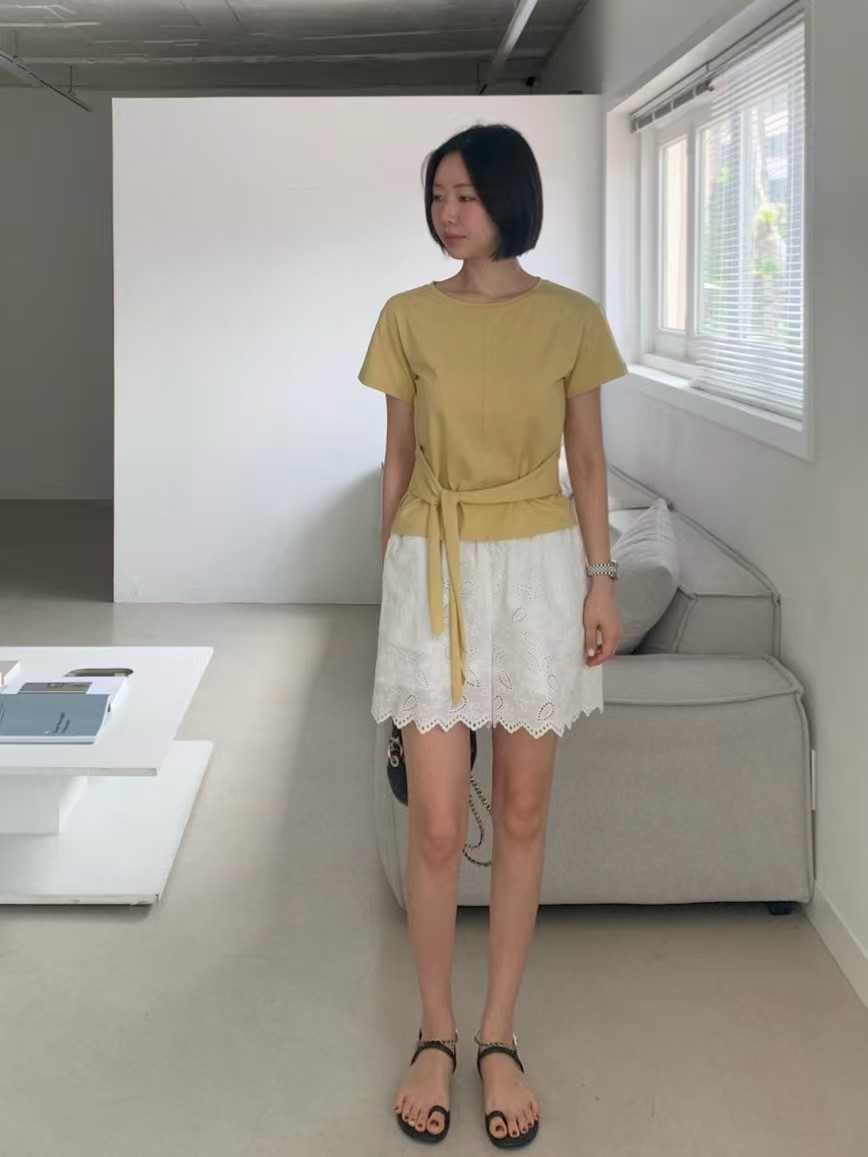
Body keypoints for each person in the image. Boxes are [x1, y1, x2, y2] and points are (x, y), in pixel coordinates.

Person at [358, 123, 626, 1149]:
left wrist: (601, 581)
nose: (447, 212)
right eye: (437, 195)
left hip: (540, 575)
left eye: (465, 194)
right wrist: (390, 584)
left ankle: (498, 1034)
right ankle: (435, 1032)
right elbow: (397, 461)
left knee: (520, 811)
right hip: (432, 566)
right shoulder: (405, 316)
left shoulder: (572, 319)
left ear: (509, 198)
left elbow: (587, 463)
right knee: (435, 824)